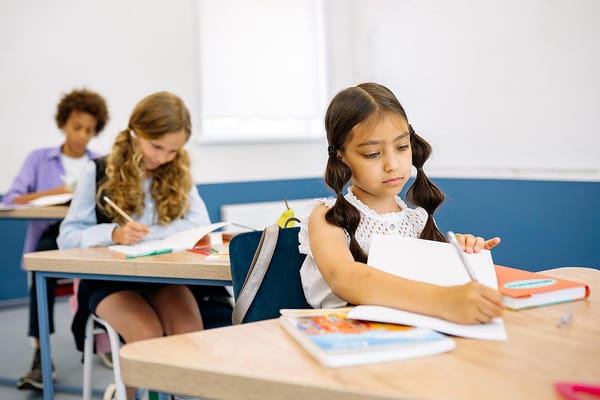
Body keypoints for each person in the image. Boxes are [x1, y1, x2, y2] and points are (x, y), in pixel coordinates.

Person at [299, 82, 504, 324]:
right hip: (351, 338)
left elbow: (425, 277)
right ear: (341, 157)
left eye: (402, 147)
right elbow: (345, 278)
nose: (392, 164)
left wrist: (456, 252)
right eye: (373, 154)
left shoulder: (416, 220)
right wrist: (443, 300)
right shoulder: (327, 217)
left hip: (414, 331)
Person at [58, 91, 208, 400]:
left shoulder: (176, 169)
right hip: (111, 280)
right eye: (156, 146)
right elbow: (68, 236)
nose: (162, 158)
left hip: (163, 276)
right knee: (146, 333)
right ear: (135, 132)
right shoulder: (98, 171)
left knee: (189, 329)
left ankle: (172, 394)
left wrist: (152, 232)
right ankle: (127, 395)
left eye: (172, 150)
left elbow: (200, 223)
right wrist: (113, 233)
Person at [3, 88, 109, 391]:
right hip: (51, 235)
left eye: (89, 130)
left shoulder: (100, 162)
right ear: (64, 123)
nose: (82, 135)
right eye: (77, 127)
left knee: (110, 272)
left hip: (90, 237)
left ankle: (105, 342)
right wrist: (55, 192)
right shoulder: (38, 159)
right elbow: (12, 198)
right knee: (41, 273)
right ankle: (40, 356)